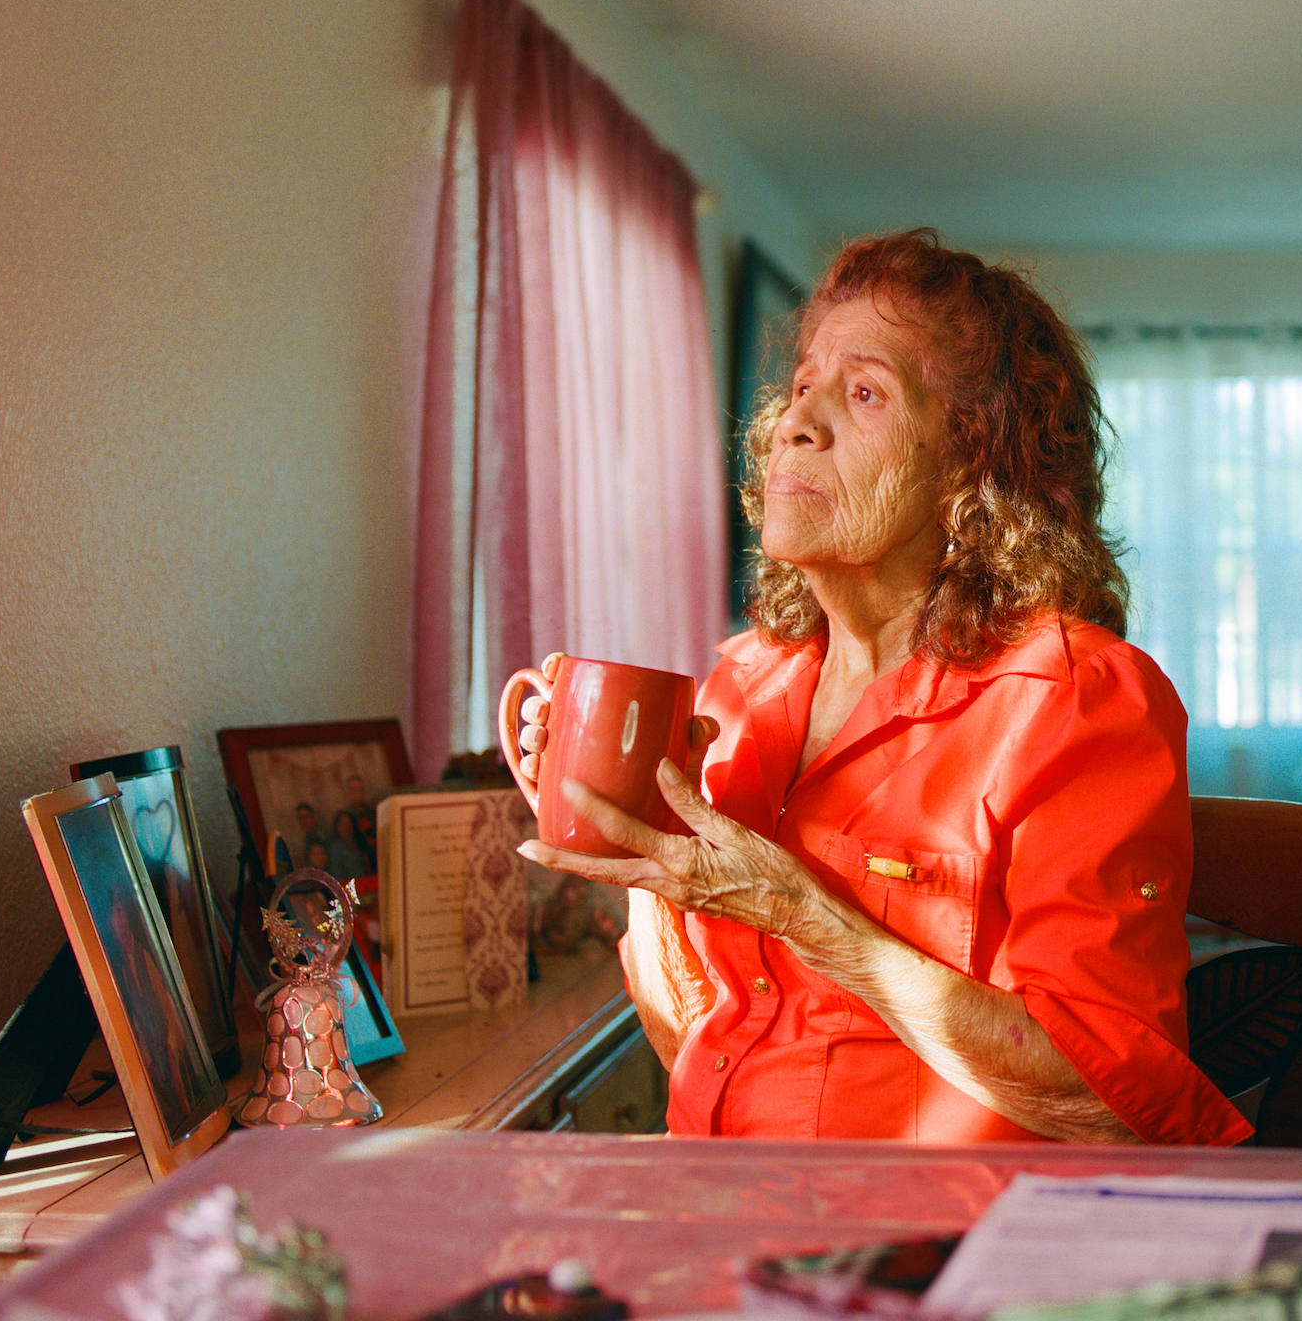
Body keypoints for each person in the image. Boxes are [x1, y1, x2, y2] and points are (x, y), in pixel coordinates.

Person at [513, 230, 1248, 1146]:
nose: (797, 422)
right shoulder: (742, 680)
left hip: (940, 1256)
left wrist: (799, 913)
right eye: (803, 386)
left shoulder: (1075, 697)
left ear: (969, 467)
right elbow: (701, 1037)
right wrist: (644, 853)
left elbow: (1119, 1104)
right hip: (727, 1219)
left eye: (865, 393)